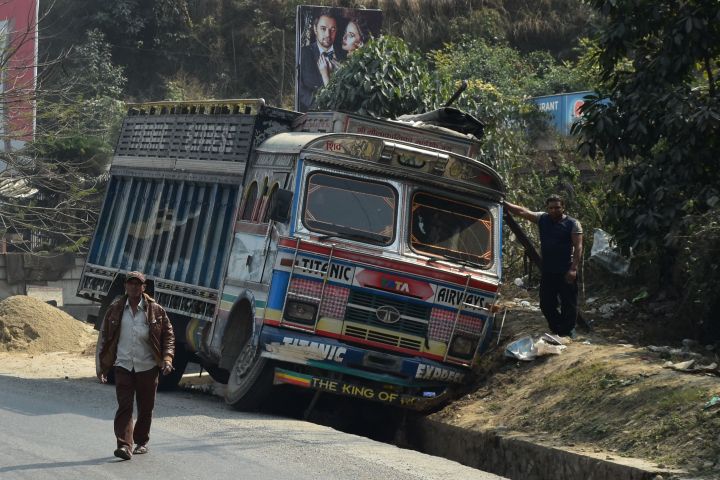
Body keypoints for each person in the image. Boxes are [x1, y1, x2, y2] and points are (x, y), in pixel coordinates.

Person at [97, 271, 175, 460]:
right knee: (124, 406)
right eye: (130, 283)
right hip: (123, 365)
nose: (133, 287)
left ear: (144, 287)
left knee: (145, 407)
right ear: (125, 286)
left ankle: (141, 441)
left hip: (147, 367)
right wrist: (102, 367)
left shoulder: (156, 310)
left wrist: (167, 359)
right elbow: (105, 339)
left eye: (137, 284)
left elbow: (168, 336)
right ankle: (124, 445)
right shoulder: (115, 309)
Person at [504, 195, 583, 337]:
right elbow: (523, 211)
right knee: (546, 304)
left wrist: (573, 269)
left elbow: (578, 247)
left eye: (557, 207)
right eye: (551, 208)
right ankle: (559, 329)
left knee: (569, 303)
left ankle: (567, 331)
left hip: (566, 269)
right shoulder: (542, 219)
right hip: (548, 270)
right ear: (547, 208)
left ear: (563, 207)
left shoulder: (573, 223)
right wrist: (503, 203)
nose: (554, 210)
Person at [298, 9, 343, 112]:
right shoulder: (303, 53)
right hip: (312, 114)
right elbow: (300, 90)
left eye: (332, 29)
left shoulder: (345, 54)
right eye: (323, 28)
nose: (328, 34)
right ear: (315, 29)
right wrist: (321, 105)